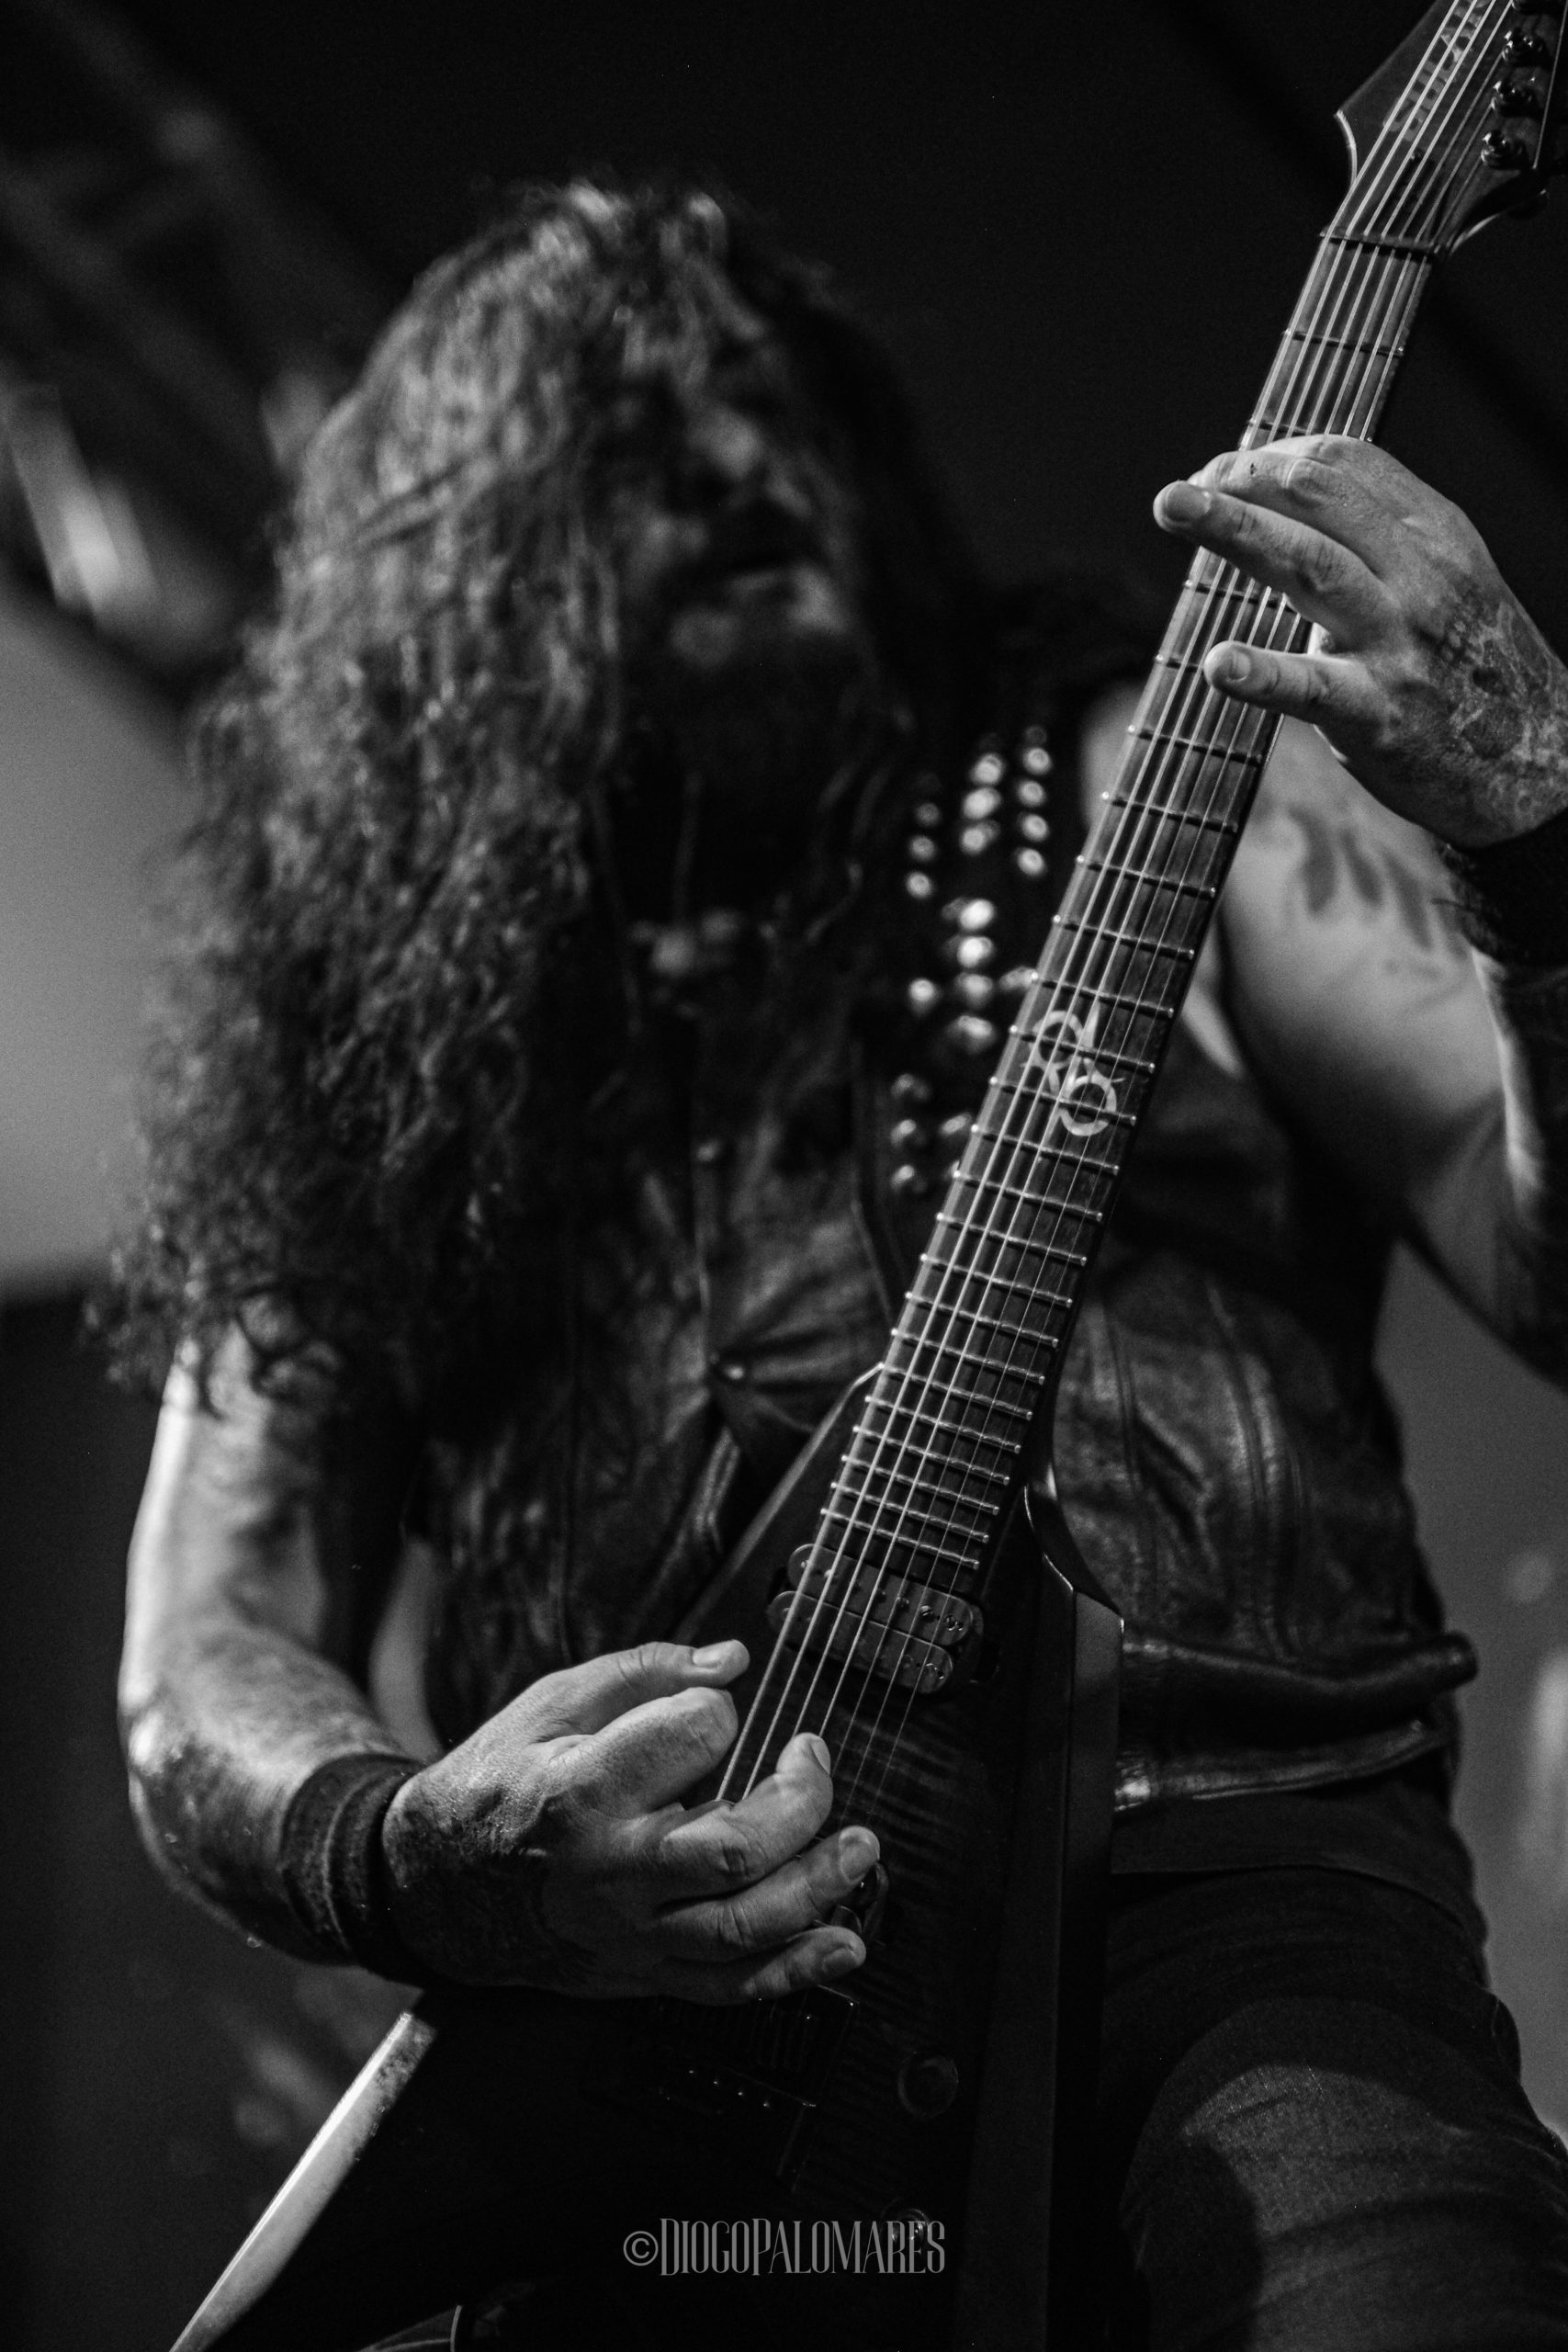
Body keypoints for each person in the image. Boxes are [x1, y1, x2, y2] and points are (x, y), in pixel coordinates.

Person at [116, 183, 1568, 2346]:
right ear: (459, 557)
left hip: (1236, 1877)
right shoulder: (381, 1014)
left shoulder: (1144, 774)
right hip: (660, 2009)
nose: (732, 462)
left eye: (770, 405)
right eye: (629, 434)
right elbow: (207, 1635)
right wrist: (413, 1844)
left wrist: (1536, 854)